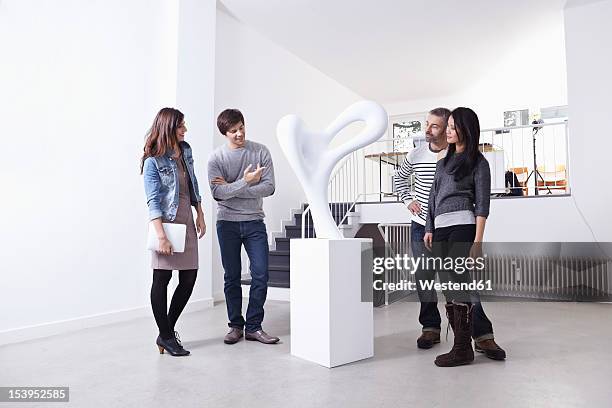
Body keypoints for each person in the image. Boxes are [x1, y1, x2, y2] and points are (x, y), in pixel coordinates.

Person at [422, 107, 506, 367]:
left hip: (463, 226)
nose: (447, 131)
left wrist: (477, 242)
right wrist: (429, 227)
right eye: (446, 126)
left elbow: (482, 205)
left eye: (452, 126)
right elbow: (432, 197)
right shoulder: (443, 161)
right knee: (449, 287)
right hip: (440, 228)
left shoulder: (478, 163)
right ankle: (463, 346)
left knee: (458, 284)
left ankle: (462, 348)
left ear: (465, 129)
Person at [208, 109, 280, 345]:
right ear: (224, 133)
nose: (239, 133)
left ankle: (254, 327)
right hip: (227, 223)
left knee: (261, 274)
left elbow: (269, 187)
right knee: (231, 277)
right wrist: (247, 181)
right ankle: (235, 326)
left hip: (254, 222)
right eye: (233, 131)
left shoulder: (260, 151)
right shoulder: (216, 158)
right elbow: (218, 194)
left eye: (242, 127)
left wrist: (235, 187)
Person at [142, 108, 206, 357]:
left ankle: (165, 332)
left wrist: (200, 212)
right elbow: (153, 201)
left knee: (189, 278)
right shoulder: (152, 161)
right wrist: (161, 236)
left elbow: (193, 183)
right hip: (166, 224)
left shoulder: (185, 150)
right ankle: (167, 336)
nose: (185, 130)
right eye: (180, 126)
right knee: (162, 279)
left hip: (187, 221)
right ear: (168, 127)